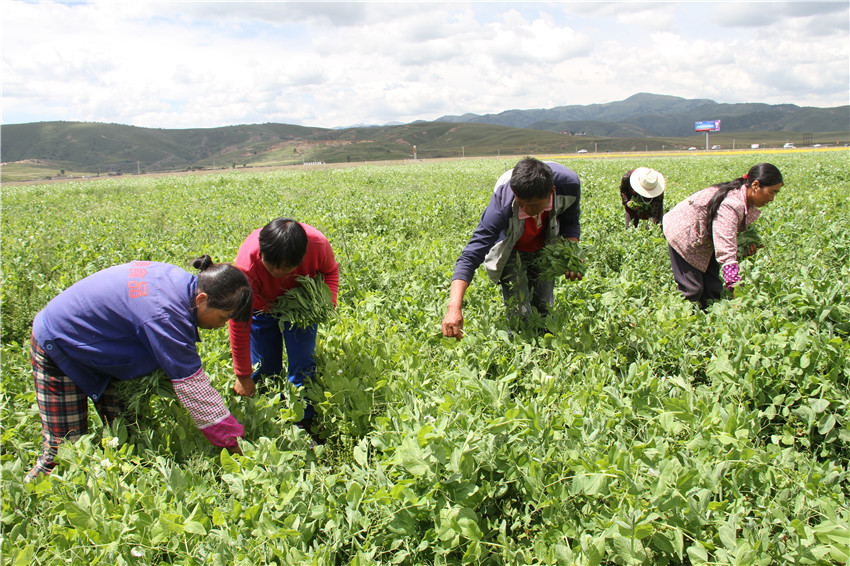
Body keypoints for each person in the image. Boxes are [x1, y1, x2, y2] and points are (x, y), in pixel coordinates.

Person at [27, 256, 253, 481]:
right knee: (66, 453)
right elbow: (195, 390)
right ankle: (30, 496)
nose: (221, 325)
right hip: (59, 344)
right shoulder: (166, 313)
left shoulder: (181, 284)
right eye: (223, 317)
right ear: (202, 299)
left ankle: (114, 488)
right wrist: (237, 446)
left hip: (100, 345)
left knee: (127, 437)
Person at [442, 157, 581, 338]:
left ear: (551, 192)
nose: (525, 209)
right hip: (512, 247)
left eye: (532, 205)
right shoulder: (503, 204)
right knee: (519, 312)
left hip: (545, 244)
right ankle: (519, 344)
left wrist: (571, 255)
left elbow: (570, 222)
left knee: (544, 306)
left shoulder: (569, 185)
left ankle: (545, 345)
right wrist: (454, 307)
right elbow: (471, 254)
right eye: (520, 203)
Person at [229, 218, 339, 427]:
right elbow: (239, 321)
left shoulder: (317, 245)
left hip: (301, 307)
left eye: (287, 267)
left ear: (302, 257)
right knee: (265, 367)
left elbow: (330, 271)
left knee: (303, 363)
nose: (278, 272)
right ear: (261, 253)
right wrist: (242, 374)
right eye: (271, 266)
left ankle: (303, 421)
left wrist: (327, 302)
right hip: (260, 308)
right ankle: (268, 418)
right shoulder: (246, 264)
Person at [663, 162, 783, 309]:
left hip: (703, 237)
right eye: (772, 192)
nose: (772, 199)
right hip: (682, 232)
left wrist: (745, 246)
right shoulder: (732, 205)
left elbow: (731, 232)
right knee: (692, 289)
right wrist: (737, 292)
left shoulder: (744, 197)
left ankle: (706, 320)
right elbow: (726, 251)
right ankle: (677, 317)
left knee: (712, 290)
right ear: (756, 185)